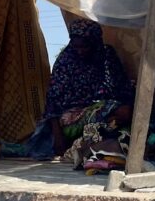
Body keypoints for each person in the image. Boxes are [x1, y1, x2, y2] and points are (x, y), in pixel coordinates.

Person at [29, 19, 135, 160]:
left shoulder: (107, 56)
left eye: (85, 46)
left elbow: (122, 86)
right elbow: (52, 102)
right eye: (76, 46)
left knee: (126, 114)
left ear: (95, 42)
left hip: (107, 109)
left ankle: (107, 142)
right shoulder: (65, 61)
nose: (80, 51)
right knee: (112, 114)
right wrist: (58, 136)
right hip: (74, 117)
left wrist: (127, 107)